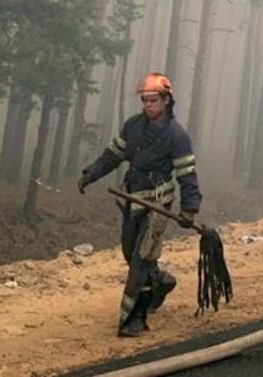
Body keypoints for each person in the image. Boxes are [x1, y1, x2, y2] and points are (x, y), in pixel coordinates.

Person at [79, 72, 202, 337]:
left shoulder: (177, 136)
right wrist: (91, 173)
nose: (147, 105)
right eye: (144, 100)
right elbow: (113, 154)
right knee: (129, 252)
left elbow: (187, 175)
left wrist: (190, 209)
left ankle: (133, 318)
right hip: (132, 201)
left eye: (153, 100)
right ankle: (160, 281)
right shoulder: (133, 126)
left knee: (141, 259)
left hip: (158, 205)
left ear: (167, 100)